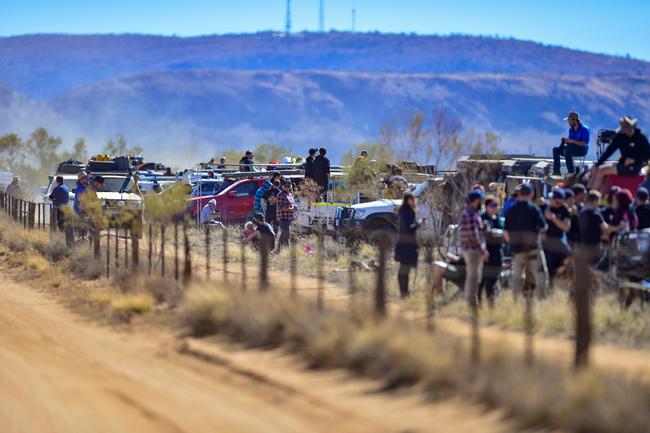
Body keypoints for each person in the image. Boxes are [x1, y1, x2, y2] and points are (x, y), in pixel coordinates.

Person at [504, 183, 549, 298]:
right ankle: (539, 299)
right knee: (540, 275)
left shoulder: (510, 210)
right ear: (531, 193)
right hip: (533, 249)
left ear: (518, 193)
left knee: (516, 278)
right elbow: (544, 227)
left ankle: (516, 302)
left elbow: (506, 232)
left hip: (517, 250)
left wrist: (512, 245)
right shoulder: (534, 208)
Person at [589, 116, 650, 191]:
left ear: (633, 126)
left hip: (636, 167)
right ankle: (595, 192)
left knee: (602, 171)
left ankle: (592, 194)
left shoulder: (641, 138)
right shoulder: (620, 137)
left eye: (629, 128)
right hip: (622, 164)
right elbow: (609, 151)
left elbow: (648, 155)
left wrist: (634, 160)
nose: (628, 131)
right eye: (626, 129)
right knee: (599, 168)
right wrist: (597, 164)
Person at [459, 190, 488, 307]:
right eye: (481, 200)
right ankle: (471, 304)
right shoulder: (471, 213)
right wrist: (482, 250)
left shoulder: (468, 212)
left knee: (472, 276)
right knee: (473, 278)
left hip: (468, 249)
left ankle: (470, 302)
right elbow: (473, 234)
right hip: (473, 250)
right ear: (476, 200)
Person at [395, 192, 424, 298]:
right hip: (405, 245)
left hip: (405, 244)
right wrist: (418, 224)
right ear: (408, 200)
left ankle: (404, 292)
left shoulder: (406, 211)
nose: (414, 202)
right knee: (404, 269)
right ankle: (404, 293)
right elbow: (407, 228)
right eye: (412, 199)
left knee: (404, 269)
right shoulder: (406, 212)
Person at [542, 189, 571, 280]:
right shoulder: (544, 207)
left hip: (559, 241)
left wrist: (553, 218)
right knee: (548, 265)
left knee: (569, 258)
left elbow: (566, 227)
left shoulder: (564, 209)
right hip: (546, 243)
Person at [480, 196, 504, 307]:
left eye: (495, 206)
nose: (494, 208)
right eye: (492, 206)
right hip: (486, 251)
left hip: (497, 251)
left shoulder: (497, 218)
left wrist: (497, 233)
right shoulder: (482, 217)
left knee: (494, 278)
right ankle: (479, 302)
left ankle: (491, 303)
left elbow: (503, 231)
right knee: (484, 279)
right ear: (486, 206)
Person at [578, 190, 609, 265]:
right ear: (595, 200)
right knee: (596, 265)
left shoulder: (582, 212)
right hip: (595, 245)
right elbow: (605, 227)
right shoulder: (596, 214)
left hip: (583, 244)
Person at [276, 180, 298, 248]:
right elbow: (281, 208)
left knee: (284, 233)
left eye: (288, 186)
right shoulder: (280, 195)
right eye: (286, 186)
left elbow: (292, 205)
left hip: (289, 217)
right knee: (286, 233)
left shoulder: (290, 194)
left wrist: (295, 207)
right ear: (282, 187)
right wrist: (292, 209)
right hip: (283, 217)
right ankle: (286, 249)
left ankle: (278, 249)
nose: (287, 188)